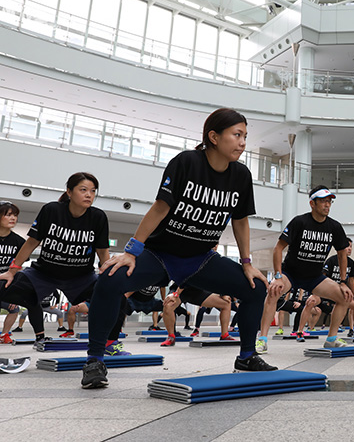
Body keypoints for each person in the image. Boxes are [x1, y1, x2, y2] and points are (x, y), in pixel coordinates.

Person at [83, 108, 276, 389]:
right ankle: (95, 360)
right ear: (213, 136)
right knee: (109, 281)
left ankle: (247, 355)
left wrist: (247, 262)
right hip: (159, 255)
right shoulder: (186, 162)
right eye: (237, 135)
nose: (243, 142)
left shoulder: (241, 176)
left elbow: (241, 220)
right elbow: (160, 207)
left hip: (200, 259)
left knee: (256, 288)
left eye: (245, 136)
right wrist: (131, 251)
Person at [0, 173, 126, 355]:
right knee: (3, 285)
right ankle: (32, 303)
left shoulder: (98, 217)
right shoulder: (52, 210)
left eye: (92, 191)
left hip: (80, 278)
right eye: (83, 190)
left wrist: (108, 276)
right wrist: (12, 271)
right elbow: (31, 243)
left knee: (118, 295)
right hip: (42, 275)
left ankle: (110, 343)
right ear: (69, 191)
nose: (89, 195)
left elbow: (102, 253)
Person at [259, 185, 353, 354]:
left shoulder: (334, 227)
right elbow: (278, 248)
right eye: (323, 201)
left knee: (345, 297)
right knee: (273, 292)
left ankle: (331, 339)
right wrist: (278, 276)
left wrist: (343, 282)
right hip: (290, 274)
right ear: (312, 204)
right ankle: (262, 340)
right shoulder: (299, 222)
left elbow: (342, 254)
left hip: (314, 277)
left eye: (329, 202)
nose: (327, 205)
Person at [160, 284, 234, 346]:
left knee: (226, 303)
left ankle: (224, 335)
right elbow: (184, 278)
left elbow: (217, 278)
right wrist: (176, 293)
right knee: (168, 305)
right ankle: (171, 337)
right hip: (179, 289)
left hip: (197, 291)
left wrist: (223, 294)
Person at [323, 239, 354, 336]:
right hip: (328, 289)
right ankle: (300, 331)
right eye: (347, 246)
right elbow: (323, 276)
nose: (349, 249)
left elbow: (351, 281)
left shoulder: (351, 263)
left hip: (342, 291)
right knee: (311, 302)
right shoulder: (331, 260)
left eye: (351, 246)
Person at [0, 201, 25, 344]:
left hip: (5, 284)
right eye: (8, 215)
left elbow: (19, 264)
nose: (13, 218)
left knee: (14, 308)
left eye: (15, 215)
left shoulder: (19, 241)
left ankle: (4, 335)